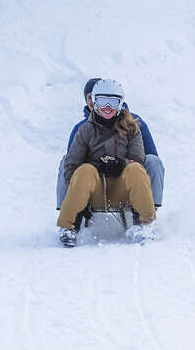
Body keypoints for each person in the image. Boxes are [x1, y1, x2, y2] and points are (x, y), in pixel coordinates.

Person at [57, 79, 156, 246]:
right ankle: (69, 226)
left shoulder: (132, 128)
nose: (108, 108)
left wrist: (121, 164)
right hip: (94, 191)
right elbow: (72, 165)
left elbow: (138, 159)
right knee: (85, 170)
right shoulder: (85, 130)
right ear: (95, 102)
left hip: (122, 190)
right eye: (103, 102)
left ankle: (146, 224)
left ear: (120, 104)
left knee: (136, 169)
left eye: (113, 102)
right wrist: (93, 169)